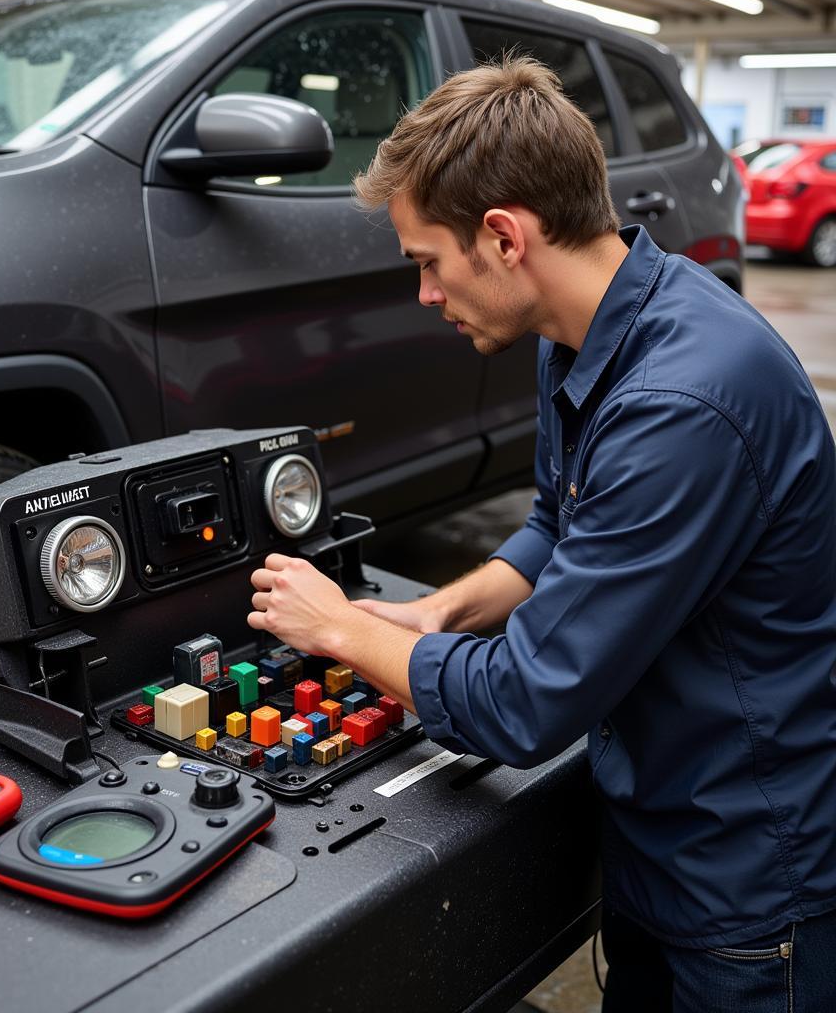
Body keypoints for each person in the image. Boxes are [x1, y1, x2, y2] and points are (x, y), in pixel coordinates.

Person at [247, 57, 836, 1011]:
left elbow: (527, 703)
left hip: (745, 879)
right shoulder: (588, 328)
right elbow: (562, 524)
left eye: (427, 262)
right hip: (654, 834)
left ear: (503, 236)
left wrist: (343, 633)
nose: (427, 295)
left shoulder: (683, 402)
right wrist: (435, 611)